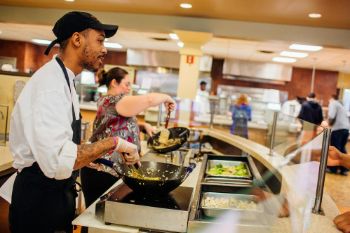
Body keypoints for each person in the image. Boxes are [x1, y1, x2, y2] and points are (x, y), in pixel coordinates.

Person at [7, 11, 140, 233]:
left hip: (54, 197)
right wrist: (115, 142)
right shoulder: (50, 86)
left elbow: (62, 146)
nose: (105, 49)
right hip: (39, 206)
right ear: (77, 39)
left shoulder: (65, 79)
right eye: (99, 40)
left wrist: (94, 156)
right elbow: (59, 161)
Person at [80, 66, 176, 207]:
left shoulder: (107, 101)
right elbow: (149, 100)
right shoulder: (116, 100)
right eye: (126, 84)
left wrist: (142, 127)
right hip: (103, 170)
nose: (128, 88)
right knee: (97, 219)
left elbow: (113, 125)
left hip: (107, 169)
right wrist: (167, 98)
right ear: (114, 83)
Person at [327, 94, 350, 175]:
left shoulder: (333, 103)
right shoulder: (341, 105)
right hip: (346, 129)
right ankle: (344, 169)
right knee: (342, 148)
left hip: (338, 129)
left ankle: (333, 169)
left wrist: (327, 125)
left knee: (335, 149)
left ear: (331, 98)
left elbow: (331, 116)